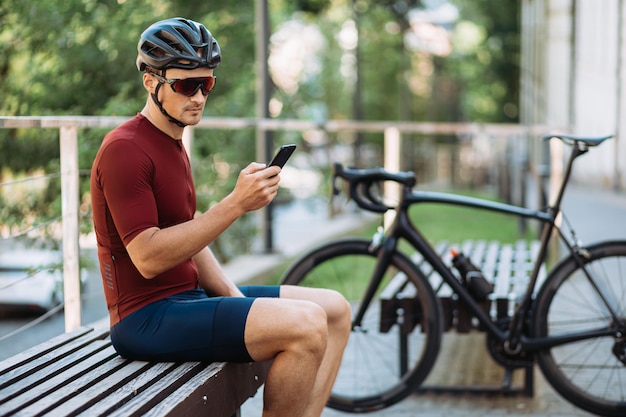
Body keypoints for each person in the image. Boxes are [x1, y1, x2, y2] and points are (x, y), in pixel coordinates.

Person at [90, 17, 351, 417]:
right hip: (146, 319)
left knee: (334, 310)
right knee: (305, 326)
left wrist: (237, 302)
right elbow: (148, 258)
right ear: (150, 82)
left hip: (188, 300)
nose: (198, 96)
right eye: (185, 85)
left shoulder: (173, 143)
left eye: (206, 84)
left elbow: (190, 242)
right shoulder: (125, 149)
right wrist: (235, 204)